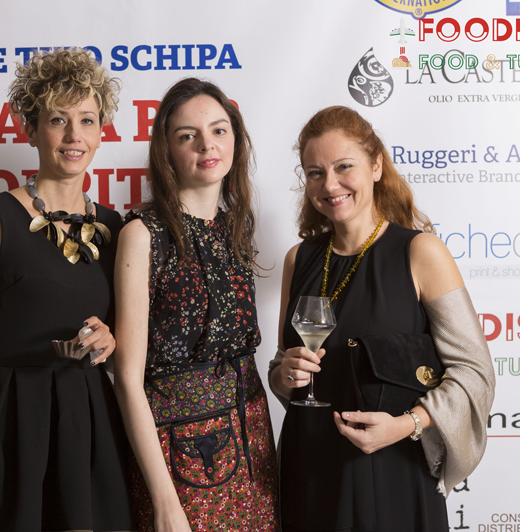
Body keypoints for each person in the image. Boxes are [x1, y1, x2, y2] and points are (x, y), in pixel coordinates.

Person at [0, 48, 134, 532]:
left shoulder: (116, 228)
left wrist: (112, 339)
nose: (74, 135)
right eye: (58, 120)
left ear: (101, 131)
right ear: (30, 129)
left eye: (87, 120)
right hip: (10, 427)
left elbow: (129, 350)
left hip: (91, 429)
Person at [269, 106, 495, 532]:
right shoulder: (298, 259)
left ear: (376, 166)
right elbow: (282, 372)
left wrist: (408, 425)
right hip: (309, 468)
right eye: (315, 172)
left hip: (392, 472)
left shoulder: (421, 252)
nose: (329, 184)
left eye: (344, 167)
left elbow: (475, 372)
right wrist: (284, 375)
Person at [114, 78, 279, 532]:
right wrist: (164, 498)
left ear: (235, 140)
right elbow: (127, 380)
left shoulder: (235, 228)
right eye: (188, 135)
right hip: (180, 453)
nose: (207, 145)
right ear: (166, 150)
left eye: (219, 130)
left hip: (253, 443)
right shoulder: (143, 234)